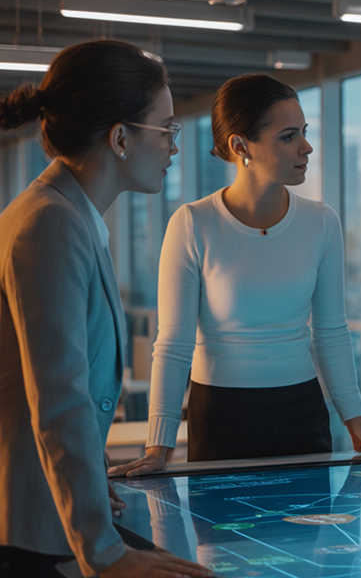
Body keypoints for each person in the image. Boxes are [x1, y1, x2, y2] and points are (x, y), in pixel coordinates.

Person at [111, 74, 361, 476]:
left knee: (307, 536)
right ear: (240, 146)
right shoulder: (193, 223)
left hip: (302, 413)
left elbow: (331, 332)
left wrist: (355, 421)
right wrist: (158, 447)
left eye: (304, 133)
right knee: (222, 538)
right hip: (220, 416)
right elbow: (173, 344)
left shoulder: (321, 222)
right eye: (288, 137)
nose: (306, 147)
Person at [0, 40, 213, 578]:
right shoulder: (50, 223)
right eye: (166, 129)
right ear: (120, 138)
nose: (173, 146)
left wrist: (93, 480)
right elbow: (59, 399)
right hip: (31, 529)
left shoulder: (65, 215)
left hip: (48, 513)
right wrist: (105, 552)